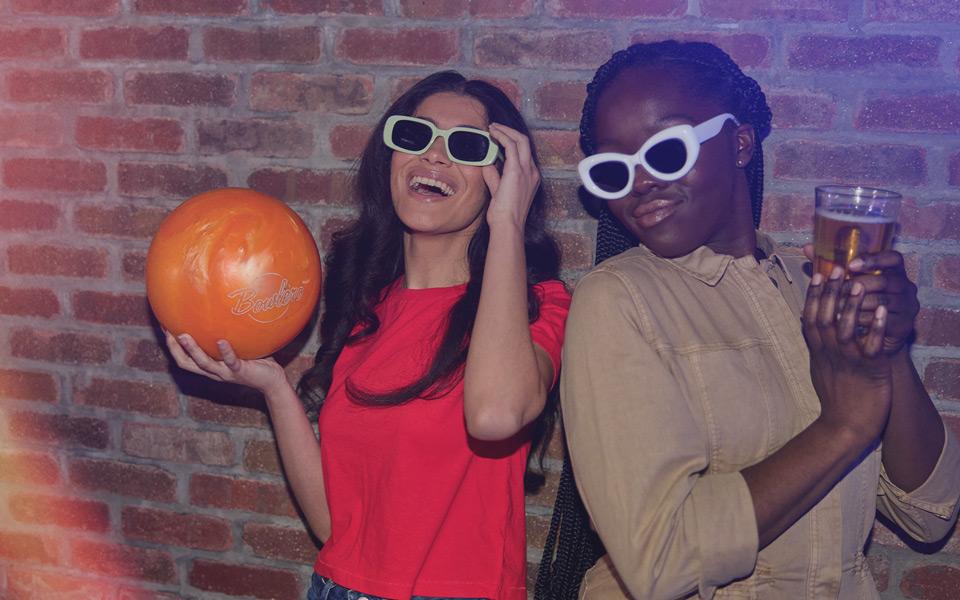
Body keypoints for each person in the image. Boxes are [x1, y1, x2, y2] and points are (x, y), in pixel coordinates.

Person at [550, 40, 960, 599]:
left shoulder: (813, 288)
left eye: (666, 150)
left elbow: (929, 514)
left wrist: (888, 353)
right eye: (614, 169)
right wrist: (844, 426)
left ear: (739, 142)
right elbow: (657, 559)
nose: (641, 181)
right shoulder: (618, 299)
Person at [166, 71, 571, 600]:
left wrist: (508, 226)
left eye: (467, 146)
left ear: (504, 177)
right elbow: (338, 530)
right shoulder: (367, 308)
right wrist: (274, 388)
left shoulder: (538, 305)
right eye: (416, 135)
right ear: (391, 159)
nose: (434, 156)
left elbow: (495, 416)